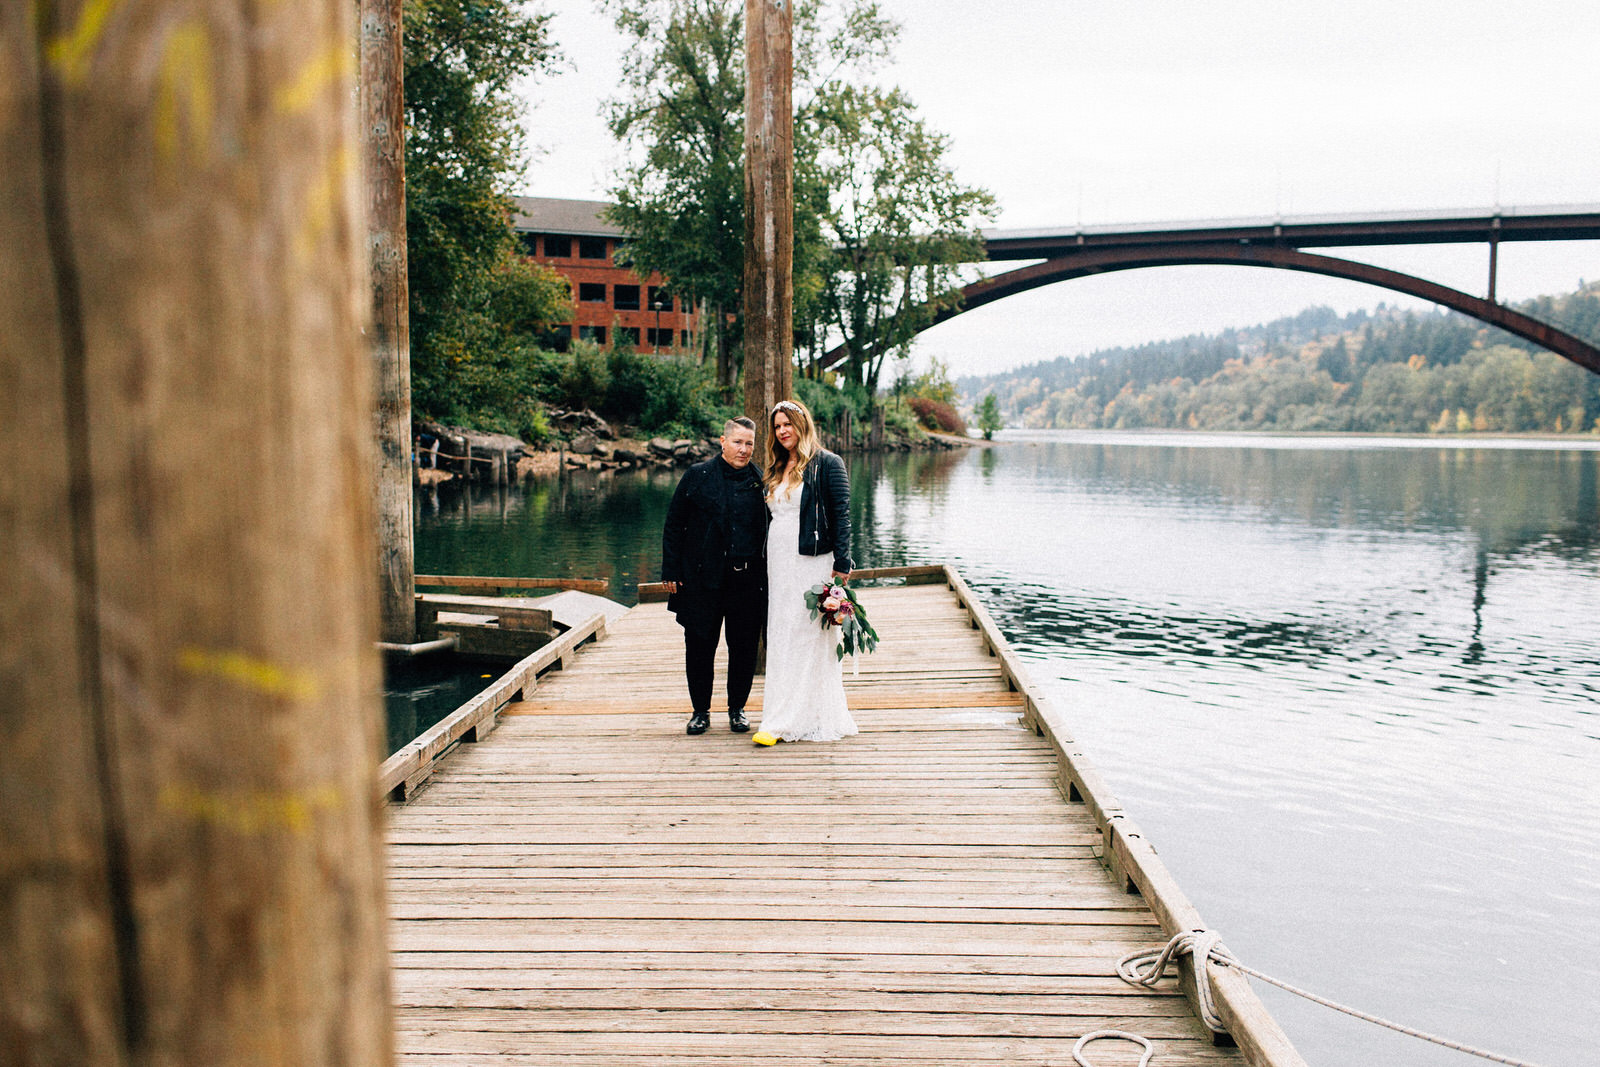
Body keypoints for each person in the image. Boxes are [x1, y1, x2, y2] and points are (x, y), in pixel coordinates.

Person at [753, 398, 858, 744]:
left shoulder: (828, 463)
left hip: (812, 560)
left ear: (802, 424)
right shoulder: (776, 466)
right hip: (779, 563)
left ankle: (790, 721)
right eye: (777, 426)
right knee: (781, 634)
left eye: (787, 424)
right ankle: (780, 712)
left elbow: (842, 516)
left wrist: (842, 565)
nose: (782, 431)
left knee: (807, 634)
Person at [660, 416, 768, 735]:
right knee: (699, 647)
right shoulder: (698, 476)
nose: (744, 449)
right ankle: (700, 712)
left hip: (747, 582)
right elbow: (674, 524)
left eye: (749, 443)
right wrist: (671, 569)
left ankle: (737, 709)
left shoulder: (761, 481)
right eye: (738, 442)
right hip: (702, 580)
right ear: (723, 441)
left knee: (744, 648)